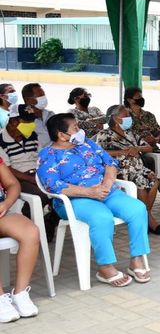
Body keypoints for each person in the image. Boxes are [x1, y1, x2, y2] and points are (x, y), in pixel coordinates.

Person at [38, 113, 151, 287]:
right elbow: (52, 185)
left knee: (137, 209)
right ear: (61, 135)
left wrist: (106, 184)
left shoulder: (87, 144)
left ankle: (136, 259)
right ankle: (105, 267)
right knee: (102, 217)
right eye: (75, 128)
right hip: (74, 199)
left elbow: (110, 163)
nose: (80, 130)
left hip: (106, 192)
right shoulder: (48, 154)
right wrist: (90, 192)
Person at [94, 105, 160, 235]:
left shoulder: (130, 133)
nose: (129, 118)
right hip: (121, 170)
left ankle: (146, 215)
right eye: (126, 116)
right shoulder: (104, 134)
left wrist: (137, 148)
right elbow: (99, 153)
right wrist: (121, 152)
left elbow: (149, 147)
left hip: (138, 167)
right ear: (116, 119)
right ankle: (148, 219)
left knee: (155, 180)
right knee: (141, 182)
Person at [0, 105, 59, 242]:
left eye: (32, 121)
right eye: (27, 121)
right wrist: (31, 179)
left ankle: (50, 221)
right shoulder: (1, 140)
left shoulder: (32, 135)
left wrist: (44, 174)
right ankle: (28, 218)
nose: (31, 125)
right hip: (19, 178)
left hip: (37, 173)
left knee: (63, 192)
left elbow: (41, 158)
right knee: (40, 195)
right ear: (13, 121)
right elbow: (8, 170)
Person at [0, 154, 40, 322]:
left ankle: (20, 293)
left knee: (30, 232)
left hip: (2, 213)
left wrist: (6, 203)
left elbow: (13, 184)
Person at [124, 87, 160, 198]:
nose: (141, 99)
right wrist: (143, 141)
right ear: (129, 100)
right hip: (138, 150)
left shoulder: (149, 115)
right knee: (151, 163)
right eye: (138, 97)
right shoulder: (125, 116)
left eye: (141, 96)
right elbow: (126, 135)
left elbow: (158, 131)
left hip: (153, 148)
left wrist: (155, 139)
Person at [21, 83, 53, 147]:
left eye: (44, 95)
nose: (44, 98)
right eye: (40, 96)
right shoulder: (21, 120)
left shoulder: (50, 114)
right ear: (28, 99)